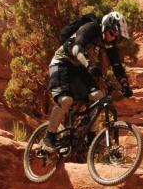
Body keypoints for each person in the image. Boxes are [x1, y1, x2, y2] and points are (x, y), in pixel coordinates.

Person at [42, 10, 133, 152]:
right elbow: (76, 49)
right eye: (112, 34)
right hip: (62, 62)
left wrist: (125, 84)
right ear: (104, 27)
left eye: (116, 37)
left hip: (79, 68)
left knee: (98, 97)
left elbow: (117, 67)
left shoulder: (109, 43)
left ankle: (90, 137)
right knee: (65, 100)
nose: (113, 38)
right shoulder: (90, 28)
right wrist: (90, 66)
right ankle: (49, 137)